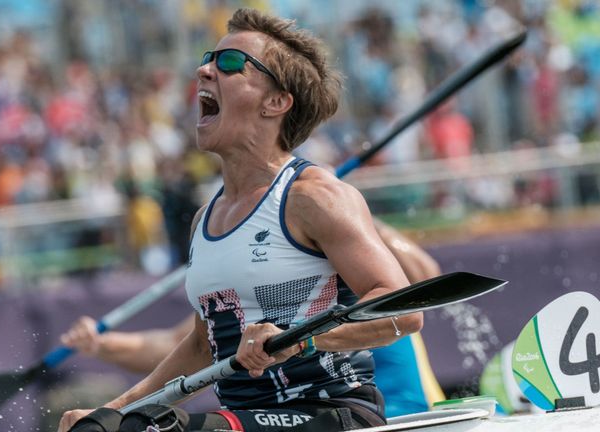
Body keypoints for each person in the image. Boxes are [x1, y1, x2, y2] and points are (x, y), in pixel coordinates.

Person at [58, 9, 423, 431]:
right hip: (249, 419)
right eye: (209, 56)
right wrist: (112, 411)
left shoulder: (314, 196)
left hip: (332, 412)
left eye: (230, 63)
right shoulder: (203, 221)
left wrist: (302, 338)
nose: (204, 69)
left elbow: (404, 312)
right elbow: (200, 346)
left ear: (276, 102)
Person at [60, 219, 445, 417]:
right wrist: (103, 344)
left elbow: (425, 284)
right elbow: (194, 348)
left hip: (405, 414)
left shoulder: (348, 247)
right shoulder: (262, 296)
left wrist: (355, 221)